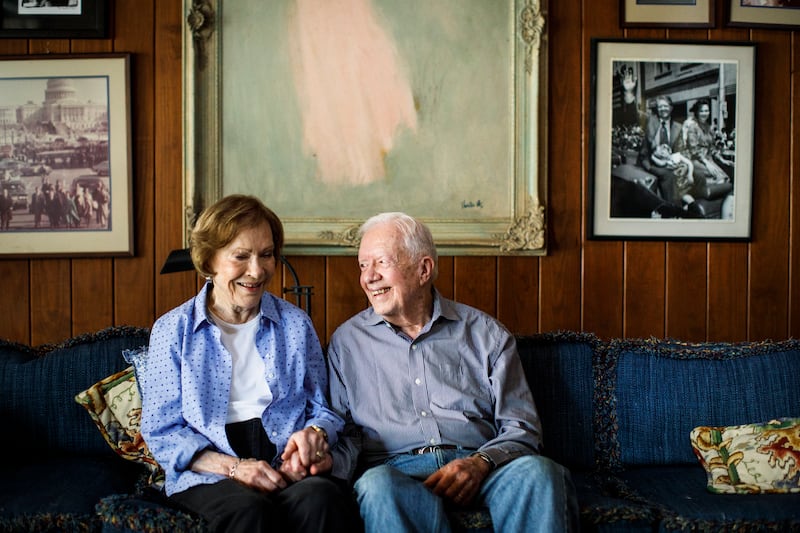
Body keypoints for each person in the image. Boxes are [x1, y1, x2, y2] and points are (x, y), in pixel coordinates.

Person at [327, 212, 579, 533]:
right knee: (377, 485)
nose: (369, 277)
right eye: (363, 265)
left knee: (539, 474)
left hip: (482, 464)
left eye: (381, 262)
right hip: (394, 472)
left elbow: (522, 428)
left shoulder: (486, 334)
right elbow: (342, 432)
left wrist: (480, 463)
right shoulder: (347, 342)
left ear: (424, 269)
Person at [139, 194, 356, 533]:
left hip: (283, 464)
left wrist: (312, 438)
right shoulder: (173, 330)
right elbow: (162, 429)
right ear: (209, 260)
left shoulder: (295, 324)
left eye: (267, 255)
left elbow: (322, 409)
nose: (256, 271)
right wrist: (235, 469)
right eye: (241, 256)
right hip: (209, 471)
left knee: (322, 498)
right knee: (248, 511)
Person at [638, 95, 684, 207]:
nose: (662, 109)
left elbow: (679, 150)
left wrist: (676, 163)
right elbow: (637, 113)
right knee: (669, 175)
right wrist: (628, 94)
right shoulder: (650, 121)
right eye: (659, 107)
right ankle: (672, 210)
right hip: (651, 162)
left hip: (670, 162)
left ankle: (689, 205)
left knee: (688, 173)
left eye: (665, 106)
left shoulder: (678, 127)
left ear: (671, 108)